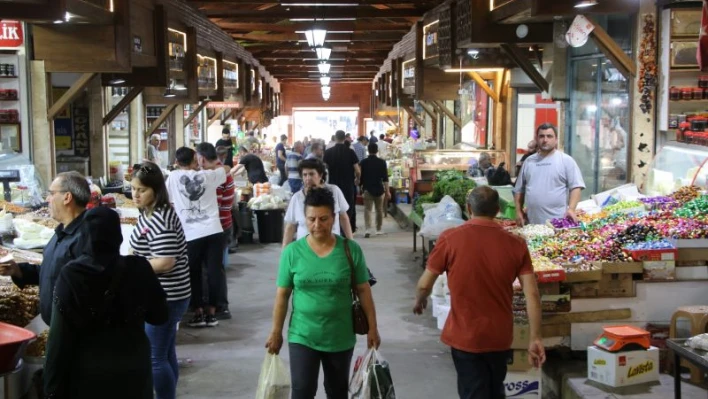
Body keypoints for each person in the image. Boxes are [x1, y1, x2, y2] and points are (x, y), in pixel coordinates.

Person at [413, 187, 545, 399]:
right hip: (500, 337)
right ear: (498, 210)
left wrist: (420, 301)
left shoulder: (450, 238)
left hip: (465, 336)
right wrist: (535, 337)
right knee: (494, 389)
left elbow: (424, 285)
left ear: (468, 208)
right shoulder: (516, 244)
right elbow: (532, 295)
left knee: (473, 391)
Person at [266, 187, 380, 399]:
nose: (317, 225)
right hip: (302, 335)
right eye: (311, 219)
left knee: (337, 392)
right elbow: (282, 295)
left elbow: (364, 291)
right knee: (302, 391)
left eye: (323, 219)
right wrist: (275, 332)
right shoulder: (292, 253)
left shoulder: (350, 250)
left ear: (334, 218)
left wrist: (373, 328)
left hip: (340, 336)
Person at [43, 207, 168, 399]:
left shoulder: (73, 275)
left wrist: (51, 389)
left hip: (89, 373)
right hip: (134, 370)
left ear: (84, 235)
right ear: (117, 236)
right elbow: (160, 316)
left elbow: (58, 340)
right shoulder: (139, 268)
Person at [128, 162, 191, 399]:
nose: (135, 194)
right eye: (133, 189)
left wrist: (132, 267)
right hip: (165, 295)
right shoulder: (150, 213)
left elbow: (165, 261)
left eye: (141, 190)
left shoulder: (161, 219)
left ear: (156, 190)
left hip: (167, 296)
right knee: (165, 353)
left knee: (154, 357)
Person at [0, 171, 89, 325]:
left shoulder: (85, 238)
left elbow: (88, 290)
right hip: (57, 324)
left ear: (67, 197)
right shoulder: (61, 232)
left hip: (73, 329)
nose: (47, 199)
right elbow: (52, 272)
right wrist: (18, 270)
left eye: (51, 193)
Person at [166, 147, 227, 328]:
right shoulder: (208, 176)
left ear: (177, 162)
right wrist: (205, 167)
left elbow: (169, 200)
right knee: (214, 272)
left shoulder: (172, 178)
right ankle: (212, 313)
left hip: (190, 234)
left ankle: (197, 312)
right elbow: (226, 169)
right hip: (214, 231)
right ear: (195, 159)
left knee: (193, 273)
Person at [514, 123, 585, 226]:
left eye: (549, 136)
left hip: (557, 224)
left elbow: (576, 187)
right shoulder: (529, 161)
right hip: (532, 223)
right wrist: (518, 211)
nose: (545, 140)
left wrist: (572, 209)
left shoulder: (566, 161)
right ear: (537, 139)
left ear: (556, 139)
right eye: (541, 136)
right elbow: (519, 190)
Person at [196, 143, 234, 319]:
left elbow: (215, 205)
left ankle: (218, 305)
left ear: (202, 158)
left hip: (216, 227)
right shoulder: (222, 172)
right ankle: (216, 304)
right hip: (223, 223)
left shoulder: (214, 176)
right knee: (216, 267)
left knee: (211, 268)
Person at [283, 158, 353, 246]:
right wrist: (284, 252)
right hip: (305, 249)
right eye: (304, 175)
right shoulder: (297, 198)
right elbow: (290, 226)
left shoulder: (334, 191)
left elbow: (344, 218)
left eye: (311, 174)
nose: (308, 178)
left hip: (332, 245)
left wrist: (351, 243)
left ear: (320, 175)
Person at [324, 130, 361, 233]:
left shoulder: (328, 152)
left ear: (335, 138)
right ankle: (348, 230)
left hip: (332, 184)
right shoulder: (350, 152)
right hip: (348, 185)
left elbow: (324, 170)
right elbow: (357, 170)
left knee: (333, 207)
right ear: (345, 138)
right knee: (348, 208)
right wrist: (357, 179)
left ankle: (334, 229)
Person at [359, 143, 390, 237]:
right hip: (379, 189)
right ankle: (378, 229)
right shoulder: (382, 162)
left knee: (367, 209)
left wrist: (360, 186)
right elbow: (385, 178)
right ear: (377, 151)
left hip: (367, 188)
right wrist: (387, 191)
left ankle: (368, 229)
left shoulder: (363, 162)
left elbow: (360, 176)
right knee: (379, 209)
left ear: (368, 150)